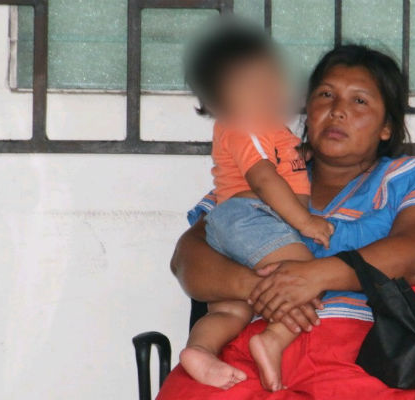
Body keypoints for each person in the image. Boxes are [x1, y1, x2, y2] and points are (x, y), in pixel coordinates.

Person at [160, 44, 415, 400]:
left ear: (386, 127)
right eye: (326, 95)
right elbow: (188, 259)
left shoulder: (409, 178)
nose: (338, 111)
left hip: (367, 356)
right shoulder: (263, 176)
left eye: (359, 101)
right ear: (308, 111)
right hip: (251, 357)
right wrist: (264, 289)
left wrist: (315, 276)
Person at [180, 21, 333, 391]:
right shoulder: (244, 126)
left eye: (270, 79)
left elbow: (288, 166)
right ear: (219, 100)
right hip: (251, 217)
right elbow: (265, 181)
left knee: (233, 309)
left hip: (239, 228)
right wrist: (306, 222)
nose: (267, 90)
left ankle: (200, 351)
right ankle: (273, 339)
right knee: (309, 276)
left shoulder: (271, 130)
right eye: (251, 85)